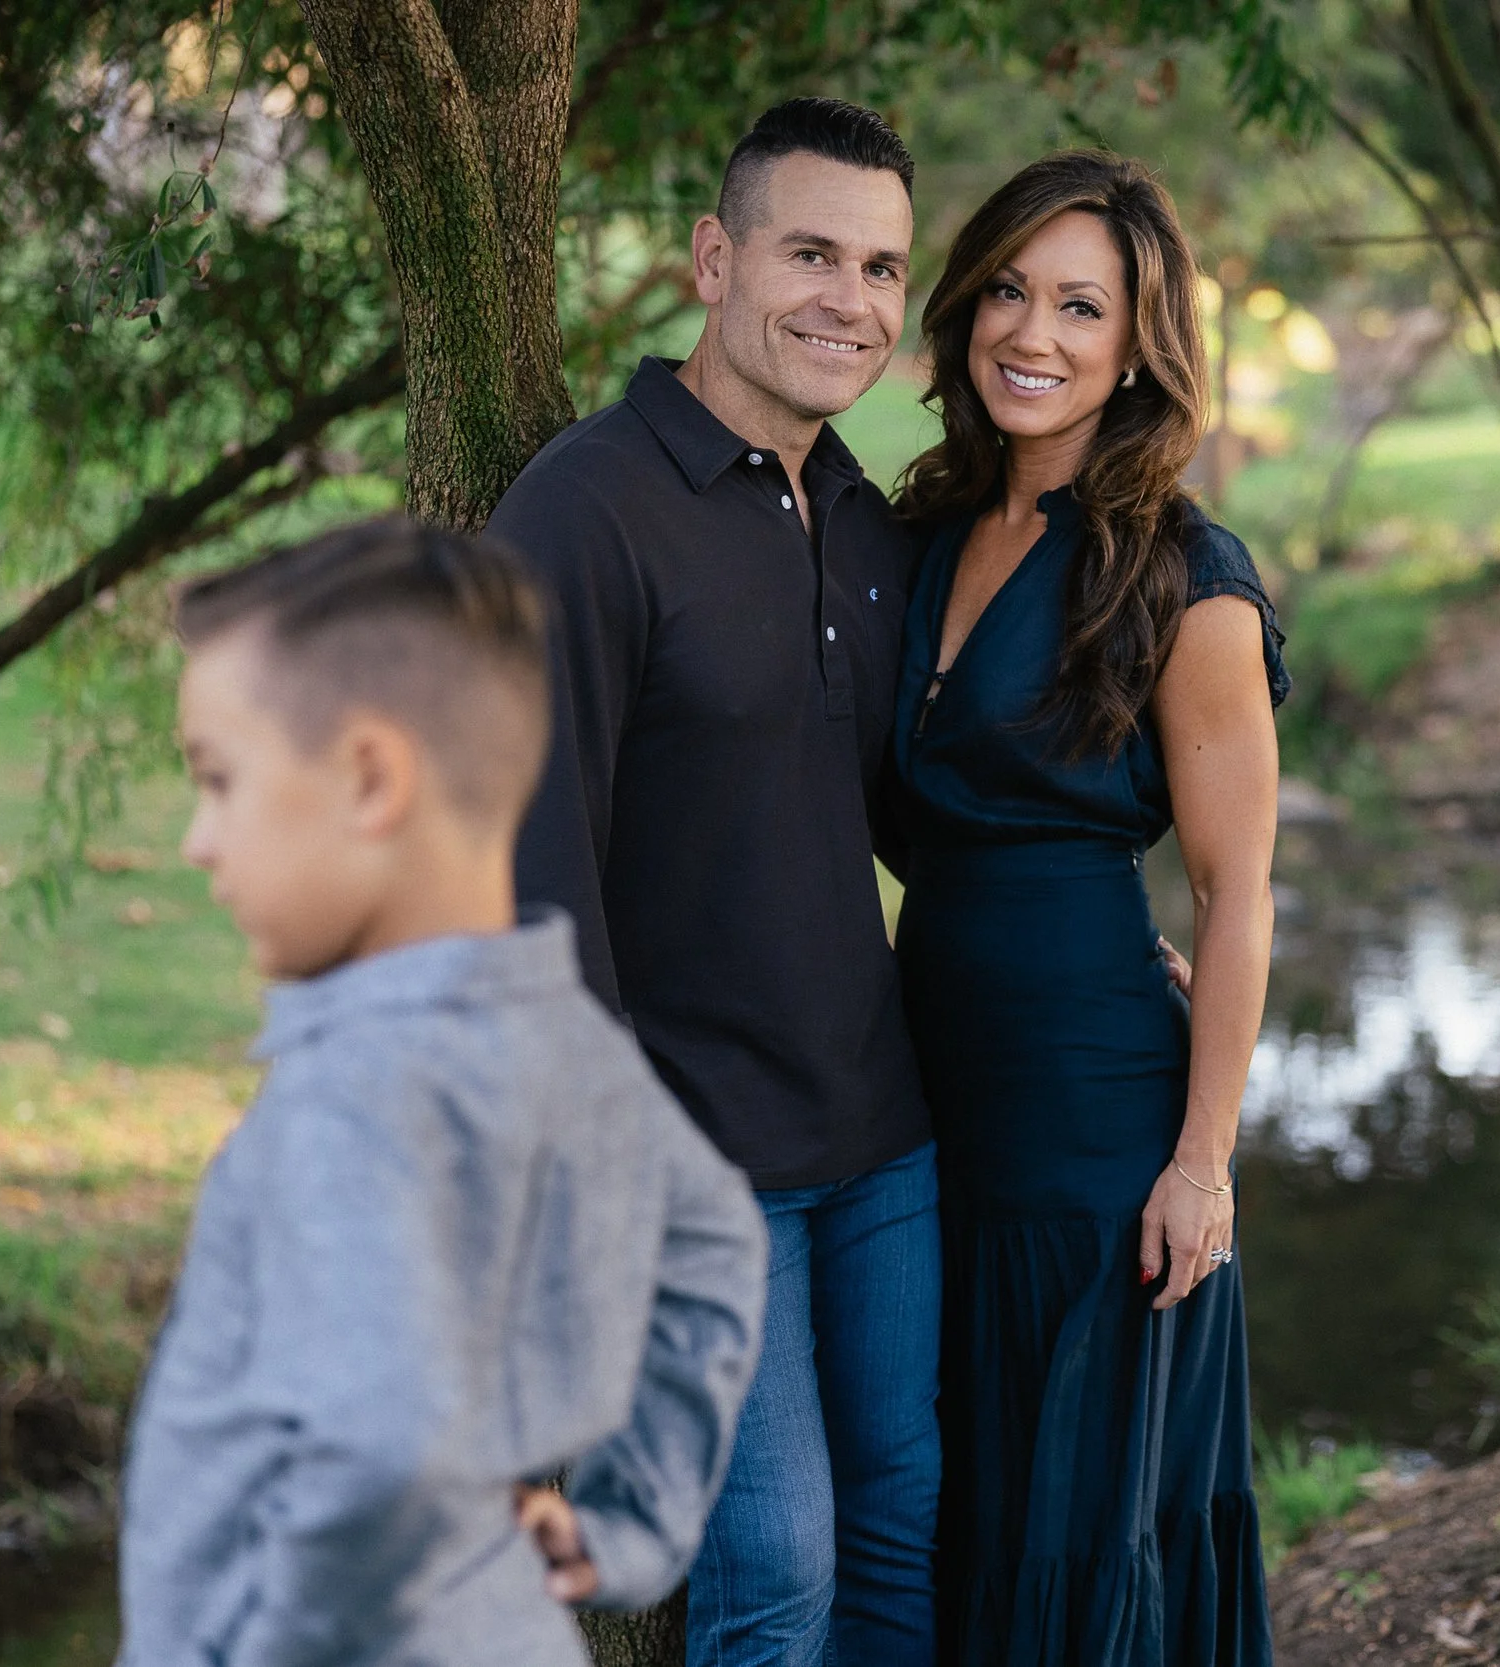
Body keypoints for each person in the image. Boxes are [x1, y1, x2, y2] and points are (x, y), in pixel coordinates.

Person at [115, 518, 769, 1667]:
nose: (196, 841)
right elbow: (714, 1245)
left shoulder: (350, 1092)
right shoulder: (570, 1038)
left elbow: (382, 1443)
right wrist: (626, 1524)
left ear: (371, 777)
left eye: (219, 782)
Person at [487, 101, 940, 1665]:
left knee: (903, 1533)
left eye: (881, 266)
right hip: (697, 1167)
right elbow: (526, 877)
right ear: (715, 257)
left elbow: (903, 815)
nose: (851, 300)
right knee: (783, 1574)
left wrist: (1086, 939)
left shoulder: (865, 525)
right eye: (811, 252)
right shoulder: (584, 508)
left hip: (884, 1136)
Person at [888, 153, 1287, 1665]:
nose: (1032, 333)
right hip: (924, 1107)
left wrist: (1204, 1157)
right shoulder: (925, 531)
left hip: (1098, 1129)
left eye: (1079, 305)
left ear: (1136, 346)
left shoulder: (1185, 577)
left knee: (1082, 1539)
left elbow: (1238, 887)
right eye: (1007, 288)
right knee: (962, 1511)